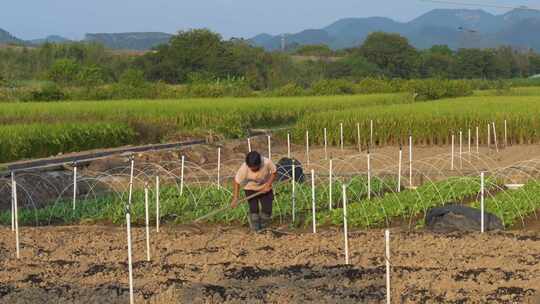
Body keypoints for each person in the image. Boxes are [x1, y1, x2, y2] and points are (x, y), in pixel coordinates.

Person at [231, 151, 277, 231]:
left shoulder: (266, 162)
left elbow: (274, 172)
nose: (254, 171)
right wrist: (235, 198)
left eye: (256, 168)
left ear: (259, 164)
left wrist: (268, 184)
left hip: (264, 187)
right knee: (254, 212)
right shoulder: (244, 168)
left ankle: (263, 229)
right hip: (250, 188)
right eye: (252, 169)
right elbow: (236, 181)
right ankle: (255, 230)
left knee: (267, 211)